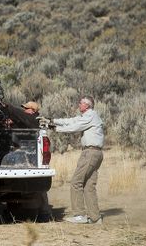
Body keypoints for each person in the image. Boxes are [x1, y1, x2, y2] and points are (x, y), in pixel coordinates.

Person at [52, 96, 104, 224]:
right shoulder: (87, 116)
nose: (78, 104)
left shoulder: (90, 115)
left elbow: (75, 127)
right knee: (89, 186)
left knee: (76, 182)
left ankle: (79, 215)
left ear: (87, 105)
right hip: (96, 153)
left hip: (90, 152)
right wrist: (53, 121)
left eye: (80, 103)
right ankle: (95, 217)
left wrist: (55, 128)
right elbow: (71, 121)